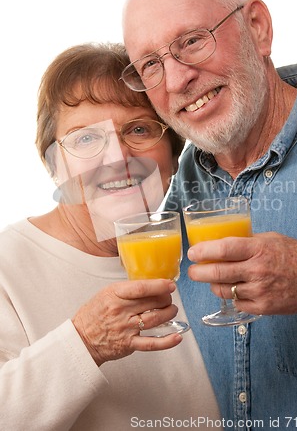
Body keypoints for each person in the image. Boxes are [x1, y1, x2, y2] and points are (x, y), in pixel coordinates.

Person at [122, 0, 297, 429]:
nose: (177, 81)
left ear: (258, 27)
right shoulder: (175, 184)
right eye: (150, 64)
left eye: (192, 41)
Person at [0, 42, 222, 429]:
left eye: (138, 129)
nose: (117, 158)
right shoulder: (8, 265)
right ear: (55, 164)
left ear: (173, 154)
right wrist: (85, 341)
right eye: (86, 139)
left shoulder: (204, 248)